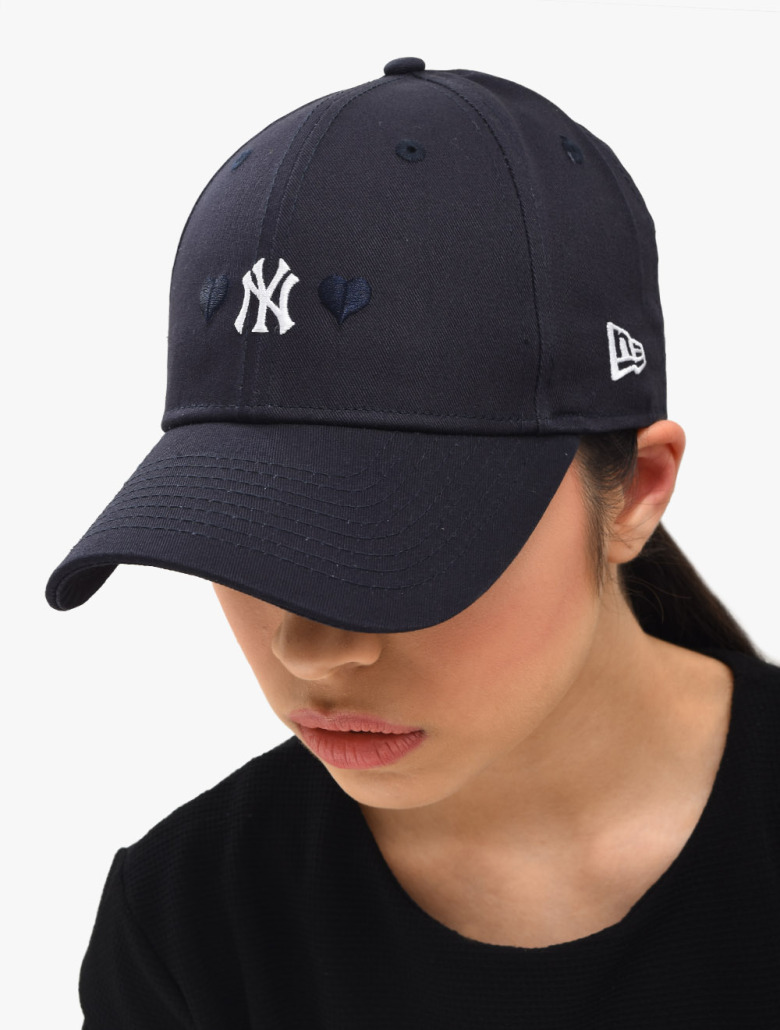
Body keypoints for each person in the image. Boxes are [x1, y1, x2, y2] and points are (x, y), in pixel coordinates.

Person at [46, 57, 779, 1027]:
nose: (310, 649)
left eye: (398, 543)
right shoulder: (189, 925)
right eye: (243, 535)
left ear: (637, 490)